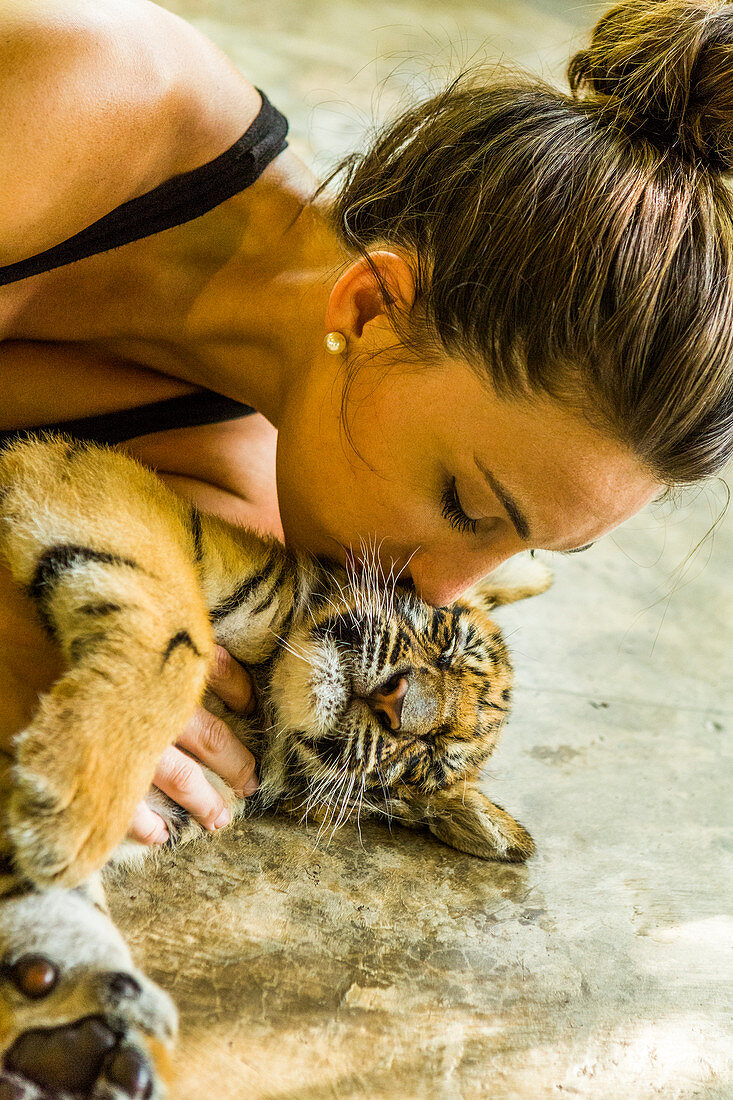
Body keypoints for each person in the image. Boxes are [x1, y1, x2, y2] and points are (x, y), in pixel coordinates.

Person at [0, 0, 730, 847]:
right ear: (371, 302)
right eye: (463, 503)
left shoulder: (253, 499)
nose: (443, 595)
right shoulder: (90, 88)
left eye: (514, 551)